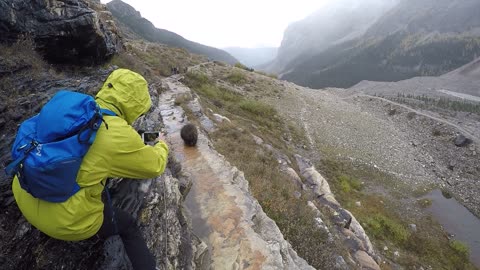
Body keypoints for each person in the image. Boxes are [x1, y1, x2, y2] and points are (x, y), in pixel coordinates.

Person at [11, 69, 169, 270]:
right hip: (65, 221)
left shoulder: (76, 108)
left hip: (24, 192)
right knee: (128, 226)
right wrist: (162, 144)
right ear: (136, 104)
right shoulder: (117, 133)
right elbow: (155, 166)